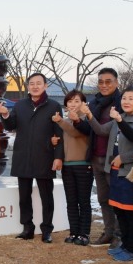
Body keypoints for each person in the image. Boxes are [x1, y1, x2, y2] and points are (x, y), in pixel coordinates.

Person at [0, 73, 63, 243]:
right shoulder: (20, 105)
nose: (35, 86)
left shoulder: (54, 106)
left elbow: (59, 134)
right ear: (28, 86)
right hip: (23, 156)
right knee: (24, 196)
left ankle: (47, 230)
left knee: (46, 197)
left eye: (38, 83)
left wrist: (58, 157)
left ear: (45, 86)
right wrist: (5, 114)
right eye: (32, 83)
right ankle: (27, 228)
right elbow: (11, 126)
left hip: (45, 156)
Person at [84, 87, 133, 261]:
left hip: (131, 172)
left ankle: (132, 248)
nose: (126, 101)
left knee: (132, 213)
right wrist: (89, 115)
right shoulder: (119, 118)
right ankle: (125, 245)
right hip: (114, 171)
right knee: (119, 209)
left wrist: (123, 158)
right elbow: (100, 130)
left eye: (131, 98)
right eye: (124, 98)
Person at [84, 68, 122, 247]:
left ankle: (119, 234)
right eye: (101, 82)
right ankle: (108, 232)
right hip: (96, 156)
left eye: (108, 81)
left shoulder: (121, 102)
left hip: (113, 158)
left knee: (117, 198)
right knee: (103, 197)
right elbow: (90, 129)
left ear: (116, 82)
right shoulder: (95, 103)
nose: (104, 85)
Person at [51, 90, 93, 246]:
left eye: (77, 101)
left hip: (83, 165)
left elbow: (76, 133)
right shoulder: (66, 120)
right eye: (70, 101)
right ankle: (74, 232)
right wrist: (54, 140)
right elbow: (63, 140)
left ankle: (84, 234)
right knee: (71, 201)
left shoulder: (86, 119)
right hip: (67, 166)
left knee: (84, 201)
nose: (73, 104)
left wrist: (61, 121)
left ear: (83, 103)